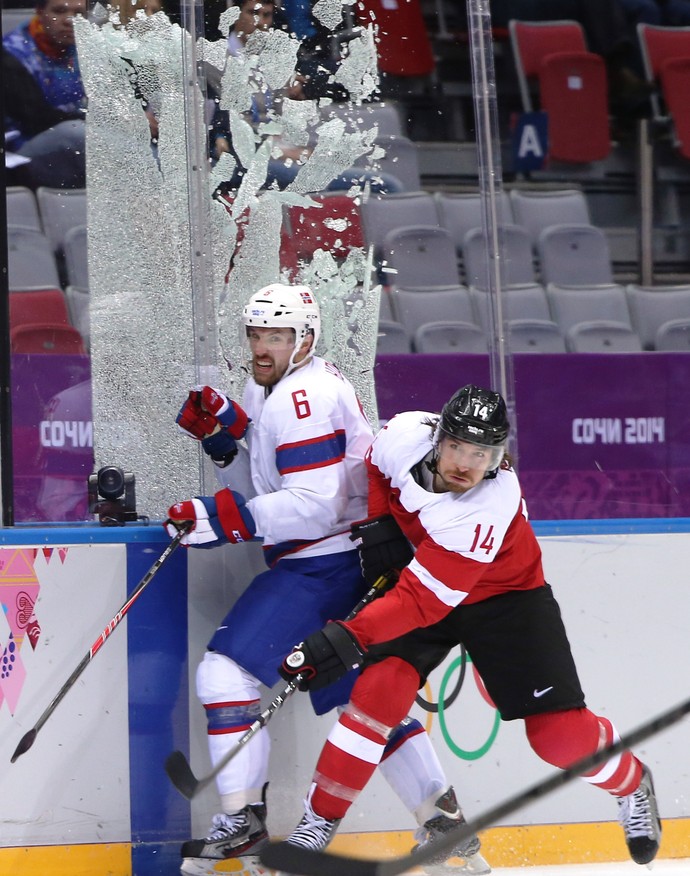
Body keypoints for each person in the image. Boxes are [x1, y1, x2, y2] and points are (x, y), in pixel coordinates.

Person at [165, 287, 489, 876]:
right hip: (351, 558)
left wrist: (219, 520)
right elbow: (268, 479)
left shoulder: (303, 395)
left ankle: (240, 823)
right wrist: (220, 438)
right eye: (257, 334)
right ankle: (444, 825)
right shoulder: (274, 388)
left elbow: (312, 505)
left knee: (223, 672)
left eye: (277, 336)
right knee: (365, 700)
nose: (262, 347)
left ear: (304, 339)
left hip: (327, 560)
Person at [277, 384, 662, 868]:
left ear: (499, 459)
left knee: (558, 739)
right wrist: (378, 526)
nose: (464, 463)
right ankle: (318, 821)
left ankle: (631, 781)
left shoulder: (489, 506)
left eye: (481, 454)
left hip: (506, 598)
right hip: (427, 574)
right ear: (437, 438)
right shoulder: (402, 435)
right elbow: (375, 465)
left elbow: (420, 603)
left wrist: (346, 637)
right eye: (457, 446)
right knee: (379, 690)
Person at [3, 0, 88, 187]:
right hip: (22, 147)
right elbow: (37, 119)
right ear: (40, 12)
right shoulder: (10, 55)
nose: (70, 20)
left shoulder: (88, 51)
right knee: (79, 135)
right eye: (59, 11)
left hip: (79, 132)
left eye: (79, 13)